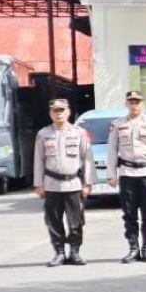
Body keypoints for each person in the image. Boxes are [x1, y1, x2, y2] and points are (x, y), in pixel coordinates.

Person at [108, 90, 146, 263]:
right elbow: (112, 149)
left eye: (137, 102)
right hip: (127, 173)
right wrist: (111, 174)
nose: (134, 105)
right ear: (126, 104)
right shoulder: (117, 124)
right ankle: (133, 248)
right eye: (131, 102)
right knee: (129, 214)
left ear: (143, 104)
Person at [34, 99, 95, 267]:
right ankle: (59, 252)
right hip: (51, 184)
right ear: (50, 113)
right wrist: (38, 184)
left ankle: (74, 252)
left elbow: (87, 159)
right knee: (53, 220)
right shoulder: (43, 134)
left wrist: (88, 183)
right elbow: (38, 160)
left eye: (62, 110)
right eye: (55, 110)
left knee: (75, 220)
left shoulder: (79, 133)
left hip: (73, 184)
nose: (59, 113)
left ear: (68, 112)